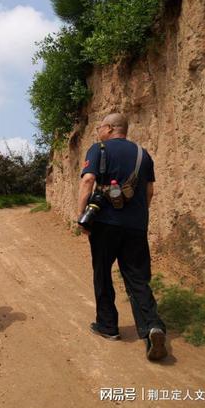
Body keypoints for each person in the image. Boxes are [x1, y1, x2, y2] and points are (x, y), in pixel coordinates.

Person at [77, 113, 168, 361]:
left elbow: (88, 181)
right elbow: (149, 191)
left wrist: (81, 216)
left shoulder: (99, 149)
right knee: (137, 279)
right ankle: (152, 327)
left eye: (100, 127)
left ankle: (108, 326)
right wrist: (137, 217)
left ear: (109, 128)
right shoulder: (143, 154)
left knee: (103, 273)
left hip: (105, 224)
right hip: (135, 227)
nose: (98, 132)